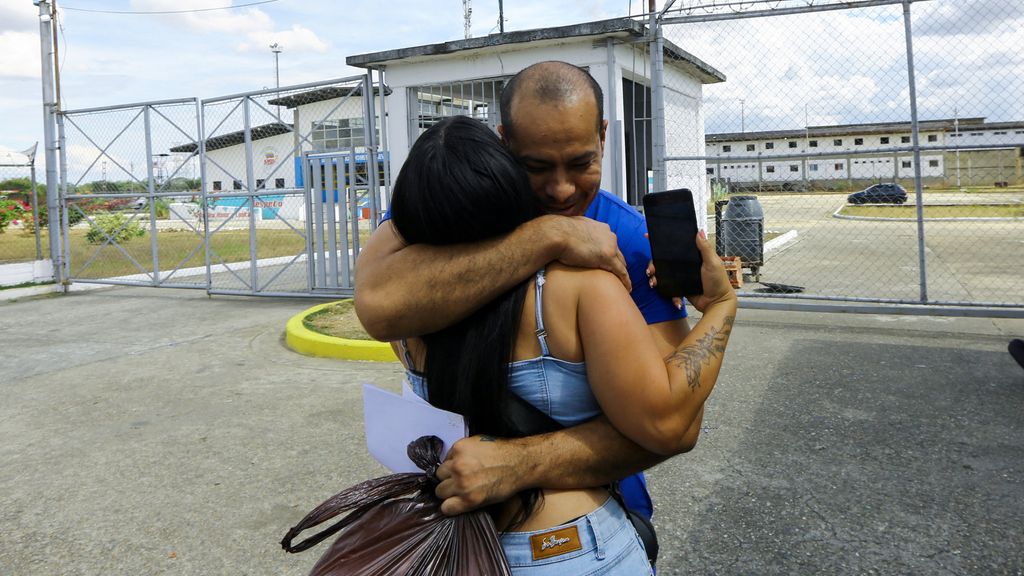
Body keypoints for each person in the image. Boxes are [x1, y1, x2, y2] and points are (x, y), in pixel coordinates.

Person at [387, 114, 736, 573]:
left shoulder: (405, 306)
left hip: (452, 543)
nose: (560, 190)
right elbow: (670, 421)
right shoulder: (580, 288)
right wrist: (721, 307)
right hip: (567, 548)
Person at [355, 61, 692, 521]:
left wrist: (520, 463)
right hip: (456, 521)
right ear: (504, 141)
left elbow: (670, 422)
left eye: (581, 163)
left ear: (604, 137)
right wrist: (548, 237)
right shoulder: (456, 208)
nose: (561, 189)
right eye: (535, 167)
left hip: (594, 522)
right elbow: (378, 307)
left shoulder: (630, 242)